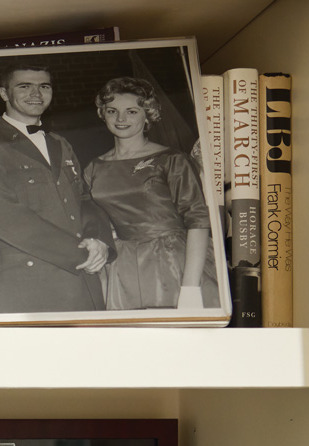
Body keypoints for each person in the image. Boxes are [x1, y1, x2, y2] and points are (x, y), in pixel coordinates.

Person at [0, 63, 116, 314]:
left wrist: (100, 241)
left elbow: (84, 199)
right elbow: (4, 217)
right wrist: (80, 254)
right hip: (28, 284)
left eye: (44, 86)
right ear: (4, 94)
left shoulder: (59, 143)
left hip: (83, 279)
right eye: (24, 86)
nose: (36, 94)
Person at [83, 77, 219, 310]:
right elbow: (91, 216)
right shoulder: (94, 167)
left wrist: (190, 288)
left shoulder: (170, 160)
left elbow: (198, 221)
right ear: (102, 113)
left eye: (132, 111)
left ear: (147, 115)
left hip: (174, 260)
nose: (121, 119)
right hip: (121, 266)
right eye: (112, 111)